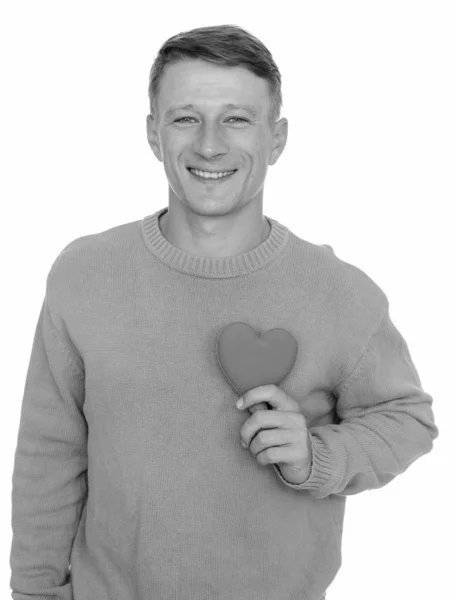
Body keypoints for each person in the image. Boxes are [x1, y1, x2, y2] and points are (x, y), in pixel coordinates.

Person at [9, 23, 439, 600]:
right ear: (153, 135)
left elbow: (409, 419)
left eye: (236, 118)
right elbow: (49, 450)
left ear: (277, 138)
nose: (209, 144)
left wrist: (318, 454)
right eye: (185, 117)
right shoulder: (84, 274)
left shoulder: (340, 293)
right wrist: (34, 593)